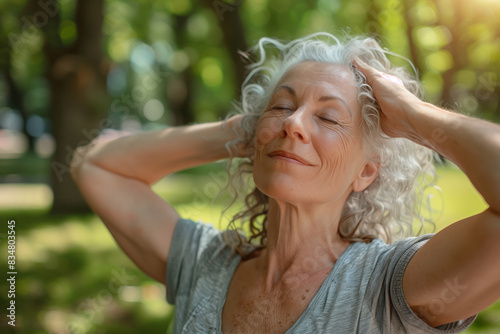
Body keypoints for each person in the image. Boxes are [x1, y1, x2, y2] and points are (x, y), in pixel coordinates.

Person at [70, 33, 500, 333]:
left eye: (328, 117)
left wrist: (412, 115)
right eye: (282, 106)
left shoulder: (388, 287)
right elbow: (96, 167)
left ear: (366, 171)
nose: (293, 122)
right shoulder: (206, 264)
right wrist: (246, 131)